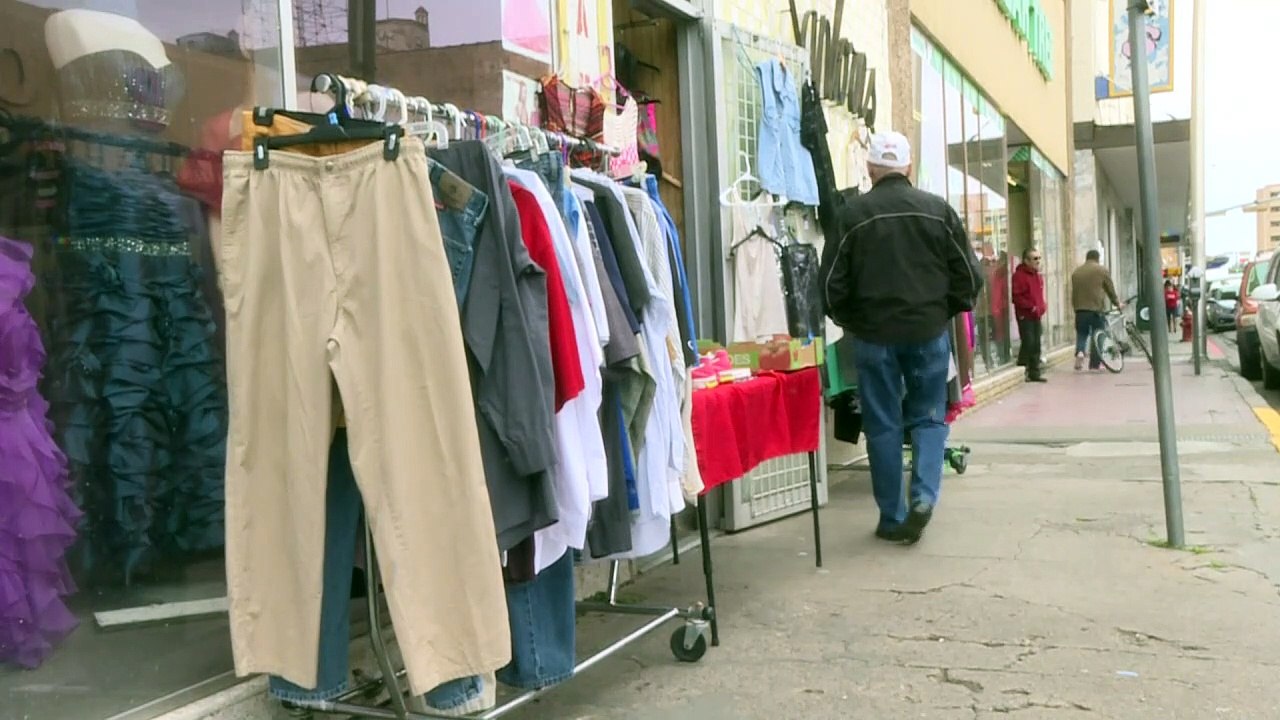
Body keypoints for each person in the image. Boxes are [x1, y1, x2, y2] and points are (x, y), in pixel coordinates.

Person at [819, 131, 984, 545]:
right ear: (908, 168)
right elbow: (969, 277)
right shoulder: (938, 211)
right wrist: (943, 309)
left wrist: (852, 319)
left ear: (871, 169)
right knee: (929, 417)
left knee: (882, 424)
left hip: (874, 336)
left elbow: (829, 288)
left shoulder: (852, 215)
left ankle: (892, 518)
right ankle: (924, 497)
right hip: (928, 331)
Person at [1070, 249, 1122, 371]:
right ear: (1097, 258)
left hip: (1080, 309)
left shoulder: (1076, 272)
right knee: (1098, 335)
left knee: (1082, 333)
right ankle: (1094, 364)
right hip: (1095, 310)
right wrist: (1117, 302)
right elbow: (1110, 289)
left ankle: (1080, 352)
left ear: (1087, 258)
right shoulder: (1101, 270)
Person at [1012, 247, 1047, 383]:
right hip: (1025, 315)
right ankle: (1022, 367)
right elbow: (1017, 297)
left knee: (1036, 343)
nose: (1038, 261)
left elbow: (1038, 295)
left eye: (1039, 258)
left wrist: (1042, 307)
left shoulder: (1037, 276)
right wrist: (1031, 307)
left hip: (1036, 314)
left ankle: (1034, 372)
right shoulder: (1019, 276)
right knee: (1028, 341)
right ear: (1026, 261)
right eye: (1035, 259)